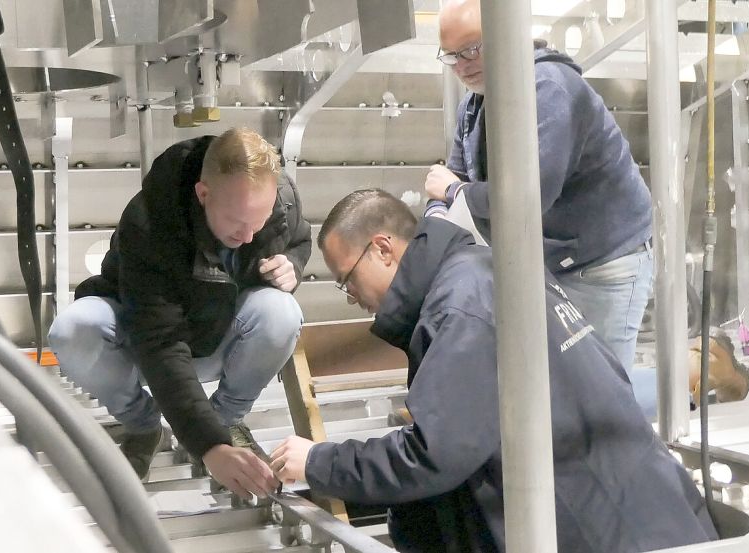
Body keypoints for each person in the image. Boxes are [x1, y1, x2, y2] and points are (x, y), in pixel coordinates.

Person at [270, 190, 717, 552]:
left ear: (383, 249)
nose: (352, 298)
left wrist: (318, 461)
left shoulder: (460, 306)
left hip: (609, 530)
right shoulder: (485, 272)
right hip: (650, 513)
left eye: (347, 280)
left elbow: (435, 455)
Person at [49, 128, 309, 498]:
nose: (250, 236)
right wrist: (208, 445)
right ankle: (143, 426)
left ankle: (226, 422)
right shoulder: (152, 221)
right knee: (73, 330)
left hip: (217, 332)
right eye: (237, 222)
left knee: (281, 311)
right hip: (145, 343)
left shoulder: (281, 199)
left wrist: (293, 264)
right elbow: (161, 343)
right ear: (203, 195)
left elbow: (299, 237)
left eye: (259, 222)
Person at [423, 0, 654, 377]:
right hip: (551, 262)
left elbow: (527, 197)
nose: (462, 65)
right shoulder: (474, 105)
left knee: (602, 392)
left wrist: (455, 194)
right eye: (451, 56)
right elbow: (453, 174)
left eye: (471, 49)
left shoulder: (549, 88)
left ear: (508, 33)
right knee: (561, 389)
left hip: (604, 262)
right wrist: (441, 206)